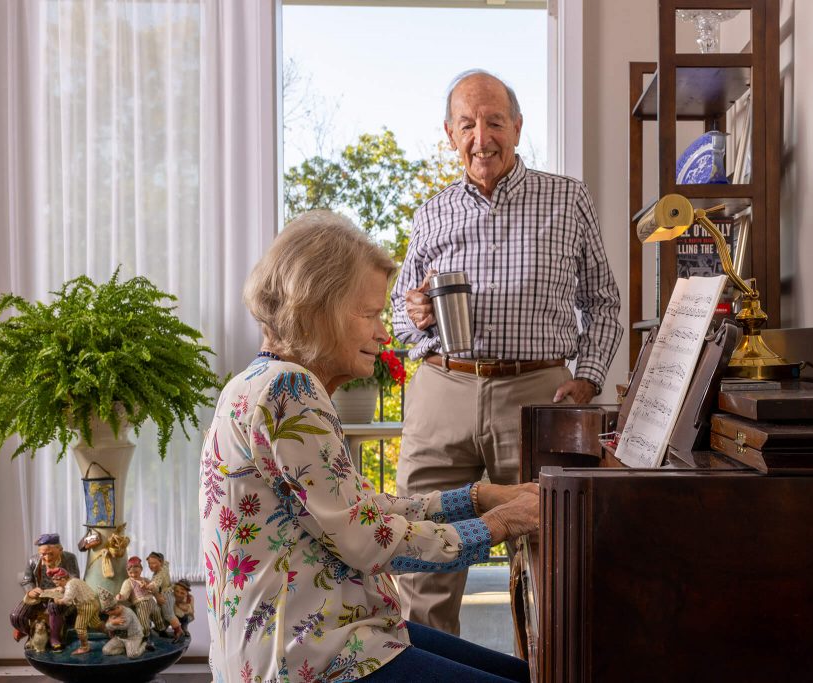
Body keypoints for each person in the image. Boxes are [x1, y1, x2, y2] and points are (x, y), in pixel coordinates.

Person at [200, 210, 538, 682]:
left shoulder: (254, 381)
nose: (384, 332)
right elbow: (367, 540)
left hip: (318, 637)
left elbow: (352, 511)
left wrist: (478, 498)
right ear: (317, 308)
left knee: (522, 674)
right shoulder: (288, 391)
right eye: (370, 313)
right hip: (306, 660)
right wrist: (499, 525)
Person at [390, 69, 623, 634]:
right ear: (449, 134)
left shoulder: (568, 199)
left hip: (537, 391)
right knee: (423, 559)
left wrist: (588, 379)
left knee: (551, 554)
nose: (481, 137)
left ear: (517, 127)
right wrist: (417, 317)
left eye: (494, 121)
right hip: (442, 392)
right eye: (467, 124)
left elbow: (605, 304)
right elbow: (400, 312)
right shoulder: (431, 213)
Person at [10, 532, 80, 649]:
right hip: (40, 596)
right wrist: (31, 590)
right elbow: (27, 580)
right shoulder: (33, 561)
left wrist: (63, 587)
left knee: (54, 606)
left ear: (60, 550)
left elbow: (75, 580)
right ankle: (28, 632)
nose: (47, 558)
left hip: (62, 596)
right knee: (16, 616)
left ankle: (54, 637)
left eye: (51, 554)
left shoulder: (70, 558)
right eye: (43, 554)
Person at [48, 567, 104, 655]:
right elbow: (70, 593)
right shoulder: (74, 580)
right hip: (93, 602)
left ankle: (84, 647)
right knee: (95, 623)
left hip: (85, 605)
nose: (57, 586)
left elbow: (67, 601)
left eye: (58, 583)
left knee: (79, 627)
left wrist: (56, 599)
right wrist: (61, 590)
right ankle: (112, 633)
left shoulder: (70, 584)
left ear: (62, 579)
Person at [117, 556, 165, 635]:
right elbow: (125, 593)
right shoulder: (128, 582)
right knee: (143, 620)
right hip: (141, 604)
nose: (133, 574)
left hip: (151, 601)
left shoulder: (145, 579)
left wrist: (149, 587)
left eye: (136, 572)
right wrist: (121, 596)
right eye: (131, 573)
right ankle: (145, 635)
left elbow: (154, 588)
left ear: (141, 570)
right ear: (127, 572)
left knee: (157, 614)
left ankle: (161, 630)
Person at [98, 588, 148, 659]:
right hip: (120, 638)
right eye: (108, 614)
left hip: (133, 637)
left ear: (116, 608)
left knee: (132, 655)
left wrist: (111, 623)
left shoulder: (127, 612)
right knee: (106, 650)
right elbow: (107, 627)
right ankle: (124, 649)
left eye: (110, 613)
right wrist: (112, 622)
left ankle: (144, 645)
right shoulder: (112, 615)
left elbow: (123, 626)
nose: (109, 615)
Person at [146, 551, 185, 640]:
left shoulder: (159, 574)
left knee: (168, 614)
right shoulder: (164, 567)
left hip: (165, 595)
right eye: (149, 563)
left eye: (154, 563)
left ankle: (178, 631)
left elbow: (155, 583)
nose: (151, 566)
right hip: (167, 593)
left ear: (161, 562)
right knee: (163, 613)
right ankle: (162, 628)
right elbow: (167, 563)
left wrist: (149, 586)